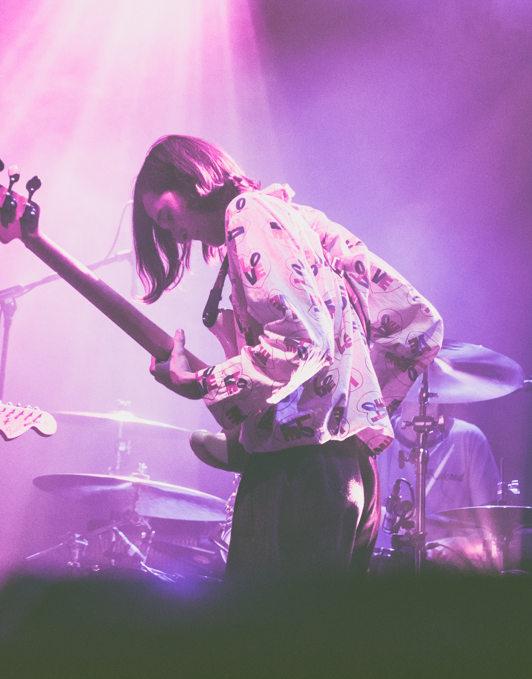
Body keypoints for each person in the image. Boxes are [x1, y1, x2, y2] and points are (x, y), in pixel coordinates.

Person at [132, 135, 443, 585]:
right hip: (348, 475)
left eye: (165, 215)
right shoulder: (301, 221)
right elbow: (419, 325)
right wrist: (355, 412)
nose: (170, 231)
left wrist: (202, 384)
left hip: (297, 476)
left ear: (191, 177)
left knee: (268, 648)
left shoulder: (246, 213)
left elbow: (299, 343)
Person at [374, 401, 501, 573]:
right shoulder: (376, 438)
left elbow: (491, 531)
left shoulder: (469, 438)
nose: (424, 396)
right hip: (386, 571)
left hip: (450, 574)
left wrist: (453, 548)